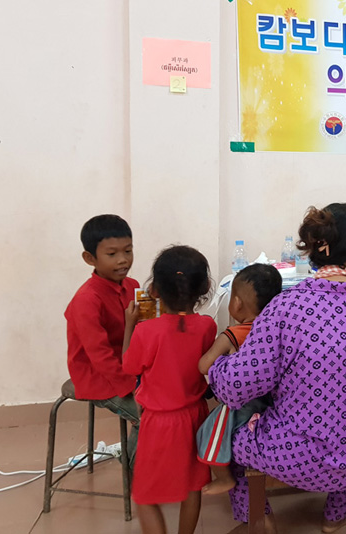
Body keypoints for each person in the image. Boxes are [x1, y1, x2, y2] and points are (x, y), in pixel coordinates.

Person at [208, 203, 346, 534]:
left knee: (233, 437)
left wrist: (218, 366)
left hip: (297, 456)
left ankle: (259, 519)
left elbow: (236, 387)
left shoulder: (285, 307)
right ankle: (337, 514)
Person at [122, 245, 218, 534]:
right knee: (192, 486)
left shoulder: (146, 331)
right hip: (195, 416)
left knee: (144, 495)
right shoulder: (207, 326)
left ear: (154, 290)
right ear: (204, 288)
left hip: (159, 423)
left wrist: (129, 326)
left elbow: (129, 366)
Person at [196, 263, 282, 495]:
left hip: (243, 403)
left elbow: (204, 365)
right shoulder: (278, 330)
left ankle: (224, 477)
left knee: (210, 430)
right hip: (273, 400)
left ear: (236, 303)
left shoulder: (233, 335)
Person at [65, 214, 141, 464]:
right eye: (112, 254)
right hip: (98, 376)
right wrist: (132, 388)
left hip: (129, 367)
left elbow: (143, 331)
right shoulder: (87, 300)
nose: (123, 259)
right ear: (90, 258)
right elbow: (100, 357)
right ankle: (136, 473)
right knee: (150, 415)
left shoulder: (133, 285)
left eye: (128, 251)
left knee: (173, 402)